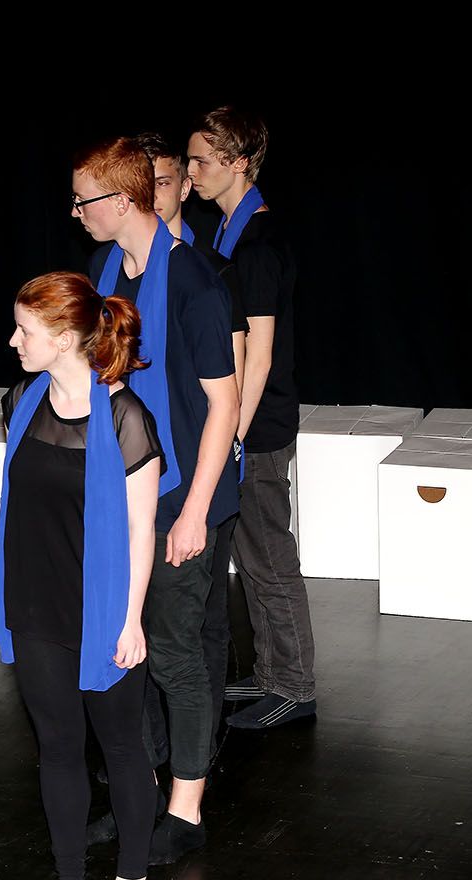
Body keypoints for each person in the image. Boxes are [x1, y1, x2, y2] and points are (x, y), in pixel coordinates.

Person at [72, 138, 240, 865]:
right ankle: (138, 794)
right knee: (124, 650)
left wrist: (195, 512)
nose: (76, 213)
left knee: (173, 653)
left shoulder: (195, 280)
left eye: (83, 200)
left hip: (181, 496)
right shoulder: (104, 273)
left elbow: (224, 405)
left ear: (121, 201)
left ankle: (186, 809)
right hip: (123, 490)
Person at [0, 272, 162, 880]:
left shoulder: (125, 418)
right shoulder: (21, 401)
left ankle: (131, 873)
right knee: (58, 745)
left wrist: (131, 620)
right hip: (35, 605)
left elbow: (141, 529)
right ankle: (69, 875)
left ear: (64, 339)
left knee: (120, 746)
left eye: (24, 332)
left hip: (102, 610)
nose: (13, 342)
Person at [188, 107, 316, 729]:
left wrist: (231, 436)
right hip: (248, 421)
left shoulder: (257, 243)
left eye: (201, 161)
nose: (191, 172)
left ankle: (294, 686)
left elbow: (258, 356)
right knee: (252, 555)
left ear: (239, 163)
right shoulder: (230, 233)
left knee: (267, 557)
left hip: (257, 427)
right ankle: (270, 674)